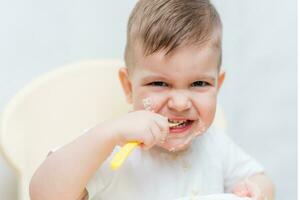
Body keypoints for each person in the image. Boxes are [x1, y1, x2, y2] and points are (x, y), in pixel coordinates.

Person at [29, 0, 275, 199]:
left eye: (199, 84)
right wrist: (106, 134)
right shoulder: (110, 148)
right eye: (159, 83)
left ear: (217, 86)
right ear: (128, 86)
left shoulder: (215, 145)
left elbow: (260, 178)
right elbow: (43, 194)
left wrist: (256, 190)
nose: (180, 103)